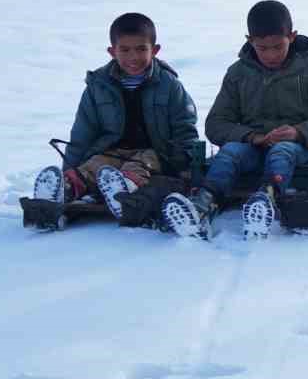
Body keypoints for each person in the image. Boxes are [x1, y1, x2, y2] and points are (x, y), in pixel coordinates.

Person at [161, 0, 308, 238]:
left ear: (292, 36)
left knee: (283, 151)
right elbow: (216, 123)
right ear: (250, 40)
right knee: (229, 152)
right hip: (253, 147)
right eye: (262, 48)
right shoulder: (238, 73)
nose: (270, 55)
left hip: (302, 148)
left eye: (277, 47)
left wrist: (299, 131)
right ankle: (203, 204)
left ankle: (266, 198)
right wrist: (251, 136)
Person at [29, 12, 199, 226]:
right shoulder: (98, 86)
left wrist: (183, 164)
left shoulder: (169, 85)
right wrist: (70, 166)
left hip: (155, 151)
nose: (133, 57)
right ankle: (65, 188)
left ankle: (123, 189)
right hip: (112, 150)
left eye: (141, 49)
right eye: (125, 50)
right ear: (112, 52)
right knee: (95, 166)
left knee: (140, 165)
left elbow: (184, 128)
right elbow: (83, 131)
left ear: (154, 50)